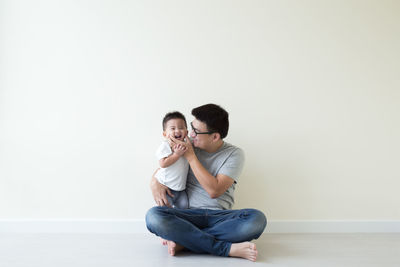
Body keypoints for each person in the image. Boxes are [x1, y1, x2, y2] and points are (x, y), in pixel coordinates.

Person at [146, 104, 267, 262]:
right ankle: (226, 248)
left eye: (196, 131)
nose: (190, 134)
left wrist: (191, 157)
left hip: (219, 217)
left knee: (257, 219)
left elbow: (214, 190)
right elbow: (164, 167)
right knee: (153, 216)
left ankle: (186, 240)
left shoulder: (234, 154)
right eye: (191, 127)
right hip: (186, 216)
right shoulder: (186, 143)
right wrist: (154, 182)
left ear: (215, 136)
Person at [154, 111, 189, 209]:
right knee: (164, 209)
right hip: (166, 187)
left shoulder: (188, 145)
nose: (177, 131)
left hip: (181, 189)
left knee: (184, 208)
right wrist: (176, 154)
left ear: (186, 132)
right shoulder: (165, 146)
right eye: (172, 128)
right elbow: (163, 163)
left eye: (181, 128)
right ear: (165, 134)